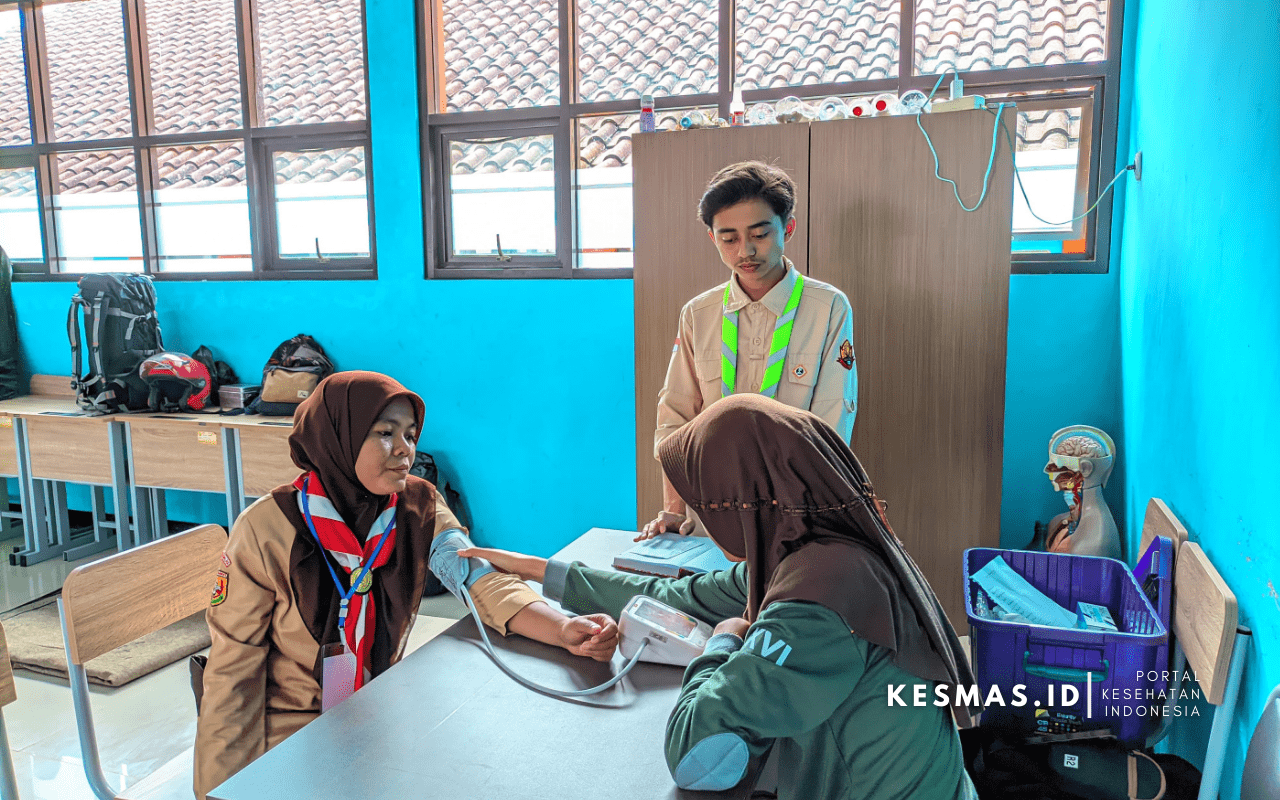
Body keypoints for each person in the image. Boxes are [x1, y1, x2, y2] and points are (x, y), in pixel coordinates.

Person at [461, 395, 977, 800]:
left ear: (742, 497)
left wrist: (722, 646)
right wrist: (541, 571)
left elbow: (696, 753)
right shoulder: (816, 549)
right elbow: (677, 595)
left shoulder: (820, 599)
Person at [194, 372, 619, 799]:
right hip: (291, 734)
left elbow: (480, 579)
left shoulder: (419, 506)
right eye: (384, 433)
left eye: (411, 434)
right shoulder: (267, 529)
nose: (405, 450)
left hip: (375, 714)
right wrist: (219, 792)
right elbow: (233, 678)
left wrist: (562, 628)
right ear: (339, 437)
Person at [644, 160, 857, 539]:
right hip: (713, 513)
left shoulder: (828, 308)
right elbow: (675, 418)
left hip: (799, 513)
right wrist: (674, 512)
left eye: (760, 234)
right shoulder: (699, 313)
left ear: (787, 228)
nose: (746, 251)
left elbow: (831, 423)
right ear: (714, 238)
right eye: (729, 238)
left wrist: (807, 521)